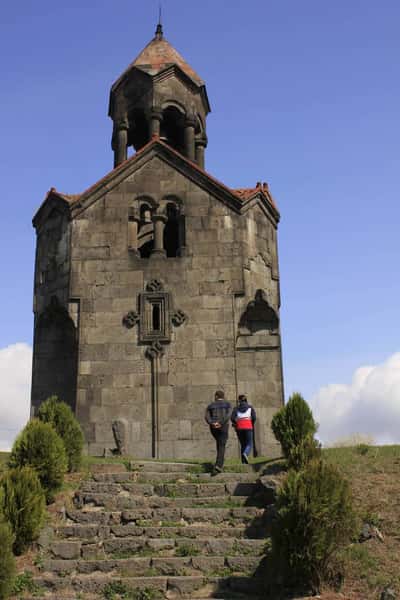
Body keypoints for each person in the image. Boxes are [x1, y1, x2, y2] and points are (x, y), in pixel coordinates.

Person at [205, 390, 232, 473]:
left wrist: (212, 423)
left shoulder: (210, 405)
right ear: (223, 396)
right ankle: (219, 465)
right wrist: (220, 423)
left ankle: (218, 462)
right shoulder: (228, 404)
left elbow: (206, 416)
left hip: (213, 428)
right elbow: (228, 415)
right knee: (222, 444)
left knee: (219, 443)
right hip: (223, 426)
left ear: (216, 396)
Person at [231, 394, 256, 464]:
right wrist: (251, 423)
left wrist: (236, 423)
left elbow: (232, 418)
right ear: (246, 400)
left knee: (243, 444)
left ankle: (243, 462)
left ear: (239, 400)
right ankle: (246, 453)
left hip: (239, 427)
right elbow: (254, 417)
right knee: (249, 443)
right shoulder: (250, 407)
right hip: (248, 426)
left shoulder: (236, 408)